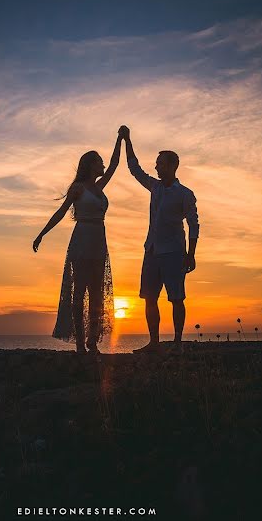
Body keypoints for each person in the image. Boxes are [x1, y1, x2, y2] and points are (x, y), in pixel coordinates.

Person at [33, 130, 124, 353]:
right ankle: (81, 343)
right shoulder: (78, 188)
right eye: (99, 162)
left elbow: (114, 165)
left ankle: (93, 341)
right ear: (91, 165)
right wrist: (42, 233)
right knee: (79, 291)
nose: (103, 165)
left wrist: (120, 139)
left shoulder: (99, 187)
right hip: (82, 238)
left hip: (99, 240)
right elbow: (61, 211)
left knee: (97, 293)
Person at [119, 125, 199, 353]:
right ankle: (154, 343)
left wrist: (191, 254)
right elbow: (135, 169)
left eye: (160, 163)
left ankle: (177, 343)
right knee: (149, 298)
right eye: (156, 163)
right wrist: (127, 140)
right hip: (152, 250)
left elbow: (194, 224)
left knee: (176, 298)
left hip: (174, 252)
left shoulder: (185, 194)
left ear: (172, 166)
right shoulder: (154, 187)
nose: (156, 166)